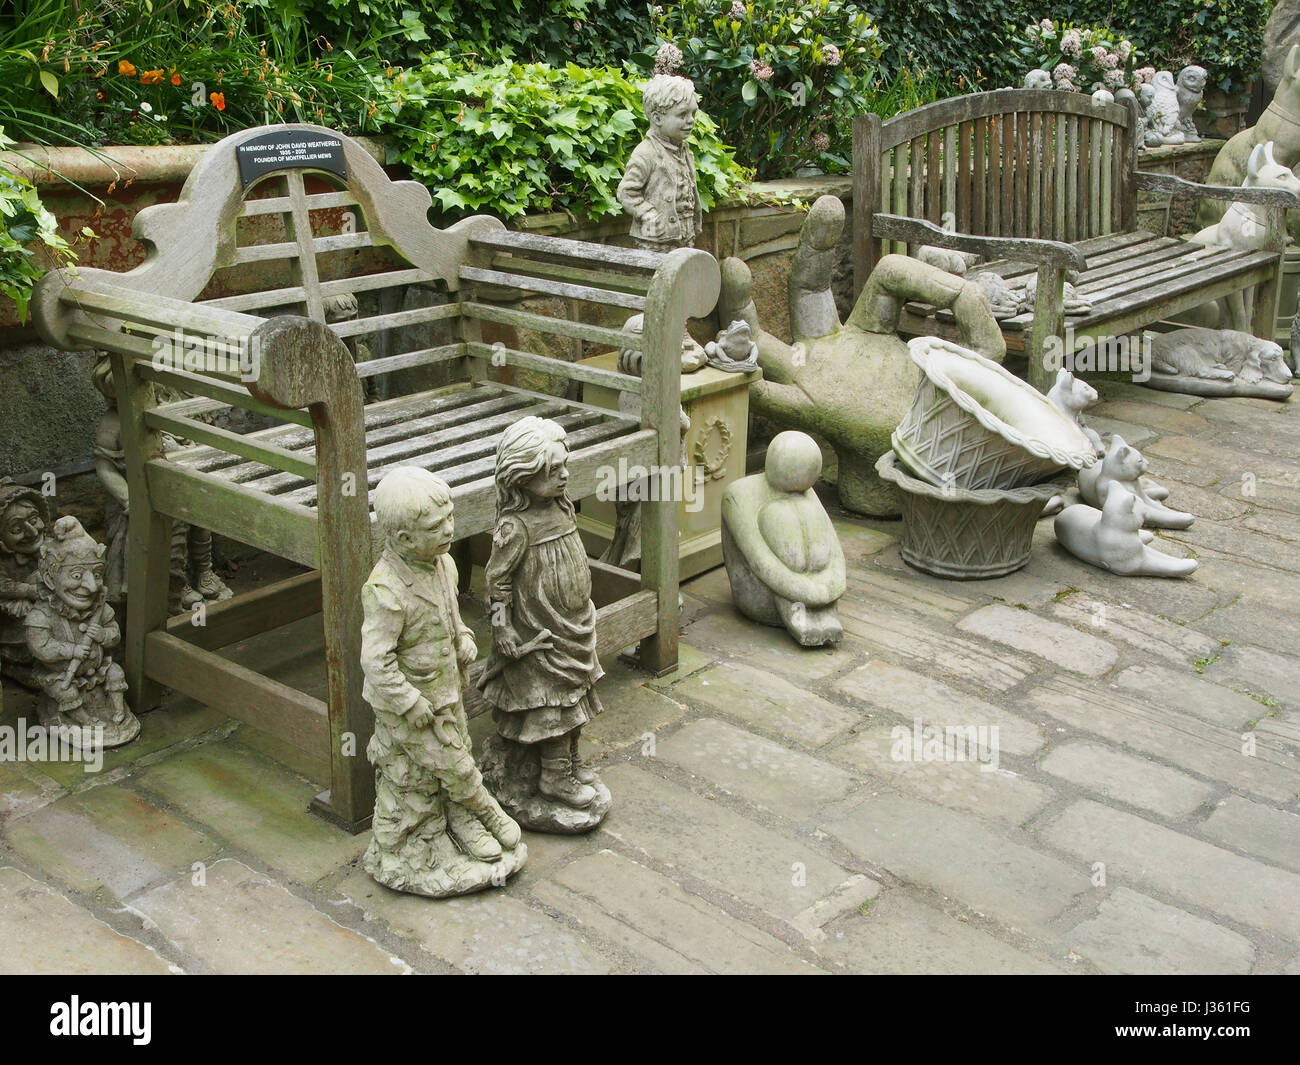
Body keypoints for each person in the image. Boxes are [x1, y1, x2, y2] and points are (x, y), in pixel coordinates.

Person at [360, 466, 522, 896]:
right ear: (402, 539)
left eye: (449, 518)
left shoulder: (443, 564)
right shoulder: (386, 589)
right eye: (436, 526)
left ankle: (464, 821)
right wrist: (409, 702)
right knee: (438, 769)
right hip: (410, 707)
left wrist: (465, 637)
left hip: (447, 691)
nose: (450, 529)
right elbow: (375, 662)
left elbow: (451, 618)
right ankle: (475, 818)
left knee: (455, 756)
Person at [479, 417, 605, 811]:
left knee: (577, 694)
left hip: (573, 626)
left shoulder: (563, 508)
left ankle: (570, 761)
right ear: (521, 476)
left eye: (564, 465)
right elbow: (496, 582)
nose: (564, 475)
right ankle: (554, 776)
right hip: (540, 632)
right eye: (552, 470)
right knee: (552, 704)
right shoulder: (515, 528)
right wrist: (501, 629)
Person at [617, 74, 703, 253]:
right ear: (657, 118)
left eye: (693, 113)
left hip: (685, 236)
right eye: (682, 114)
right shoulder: (646, 153)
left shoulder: (684, 150)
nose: (691, 120)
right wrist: (649, 214)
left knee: (682, 277)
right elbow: (626, 192)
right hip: (655, 240)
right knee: (655, 278)